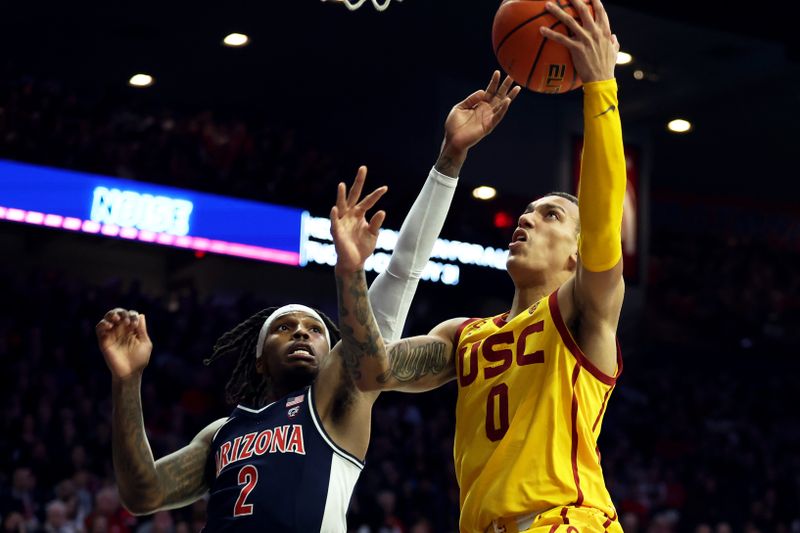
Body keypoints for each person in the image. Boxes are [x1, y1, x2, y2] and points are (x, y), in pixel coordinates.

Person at [96, 73, 520, 532]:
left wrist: (449, 158)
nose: (301, 331)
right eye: (284, 327)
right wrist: (127, 381)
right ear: (259, 360)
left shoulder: (338, 396)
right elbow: (142, 494)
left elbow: (402, 273)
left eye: (316, 329)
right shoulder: (221, 434)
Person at [341, 0, 627, 531]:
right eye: (525, 212)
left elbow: (606, 223)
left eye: (550, 215)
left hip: (567, 521)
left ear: (577, 253)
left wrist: (599, 89)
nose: (527, 219)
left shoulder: (584, 316)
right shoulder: (464, 336)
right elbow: (367, 370)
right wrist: (351, 273)